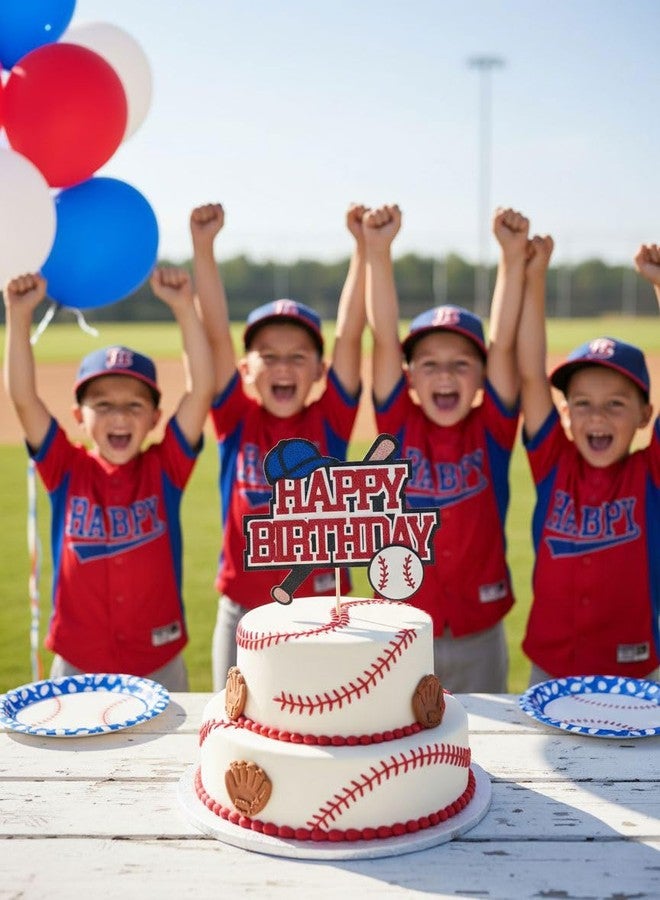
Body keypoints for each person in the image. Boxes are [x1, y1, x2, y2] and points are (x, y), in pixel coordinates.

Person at [2, 268, 215, 691]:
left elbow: (202, 388)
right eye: (103, 404)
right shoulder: (65, 467)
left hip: (158, 659)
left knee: (168, 759)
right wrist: (19, 316)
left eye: (135, 405)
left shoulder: (165, 468)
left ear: (155, 418)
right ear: (80, 417)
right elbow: (24, 399)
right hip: (79, 661)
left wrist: (184, 309)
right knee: (74, 760)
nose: (119, 416)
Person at [190, 203, 367, 689]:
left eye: (297, 356)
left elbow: (351, 335)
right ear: (246, 369)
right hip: (243, 611)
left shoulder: (329, 422)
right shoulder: (235, 420)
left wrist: (362, 249)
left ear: (318, 371)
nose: (283, 367)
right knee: (235, 723)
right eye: (268, 356)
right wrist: (204, 248)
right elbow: (213, 335)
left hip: (323, 609)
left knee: (329, 722)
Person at [363, 204, 529, 692]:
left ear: (480, 376)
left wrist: (511, 258)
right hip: (402, 628)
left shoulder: (493, 430)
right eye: (429, 364)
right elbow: (385, 339)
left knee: (488, 751)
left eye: (461, 363)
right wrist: (378, 253)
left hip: (479, 630)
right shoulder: (397, 425)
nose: (445, 375)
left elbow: (502, 346)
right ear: (410, 376)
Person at [518, 236, 660, 685]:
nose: (597, 415)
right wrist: (535, 275)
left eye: (616, 404)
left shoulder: (649, 474)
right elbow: (529, 372)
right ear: (564, 414)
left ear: (645, 416)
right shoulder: (553, 463)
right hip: (550, 668)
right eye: (581, 403)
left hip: (636, 672)